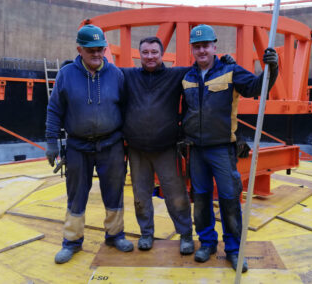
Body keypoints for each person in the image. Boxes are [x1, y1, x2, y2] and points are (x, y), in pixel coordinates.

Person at [121, 37, 235, 254]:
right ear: (140, 55)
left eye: (154, 52)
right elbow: (103, 70)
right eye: (145, 52)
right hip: (137, 150)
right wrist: (73, 65)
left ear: (162, 54)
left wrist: (223, 63)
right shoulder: (128, 75)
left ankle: (185, 235)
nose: (150, 56)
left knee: (177, 195)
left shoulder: (176, 75)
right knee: (140, 196)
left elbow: (203, 66)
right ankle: (146, 233)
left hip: (166, 148)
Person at [181, 24, 278, 272]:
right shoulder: (187, 77)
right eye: (197, 46)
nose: (202, 50)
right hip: (197, 151)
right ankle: (207, 243)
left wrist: (272, 67)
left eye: (206, 45)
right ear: (192, 49)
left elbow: (258, 87)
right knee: (201, 200)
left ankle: (234, 250)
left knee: (229, 200)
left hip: (222, 150)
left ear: (214, 46)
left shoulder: (231, 71)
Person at [45, 24, 133, 264]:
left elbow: (125, 109)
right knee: (75, 195)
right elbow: (54, 110)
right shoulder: (66, 74)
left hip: (111, 145)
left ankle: (115, 235)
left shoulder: (116, 74)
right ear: (79, 49)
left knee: (114, 193)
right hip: (77, 148)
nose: (97, 54)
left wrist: (128, 141)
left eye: (100, 49)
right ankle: (72, 241)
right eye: (90, 49)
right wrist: (51, 142)